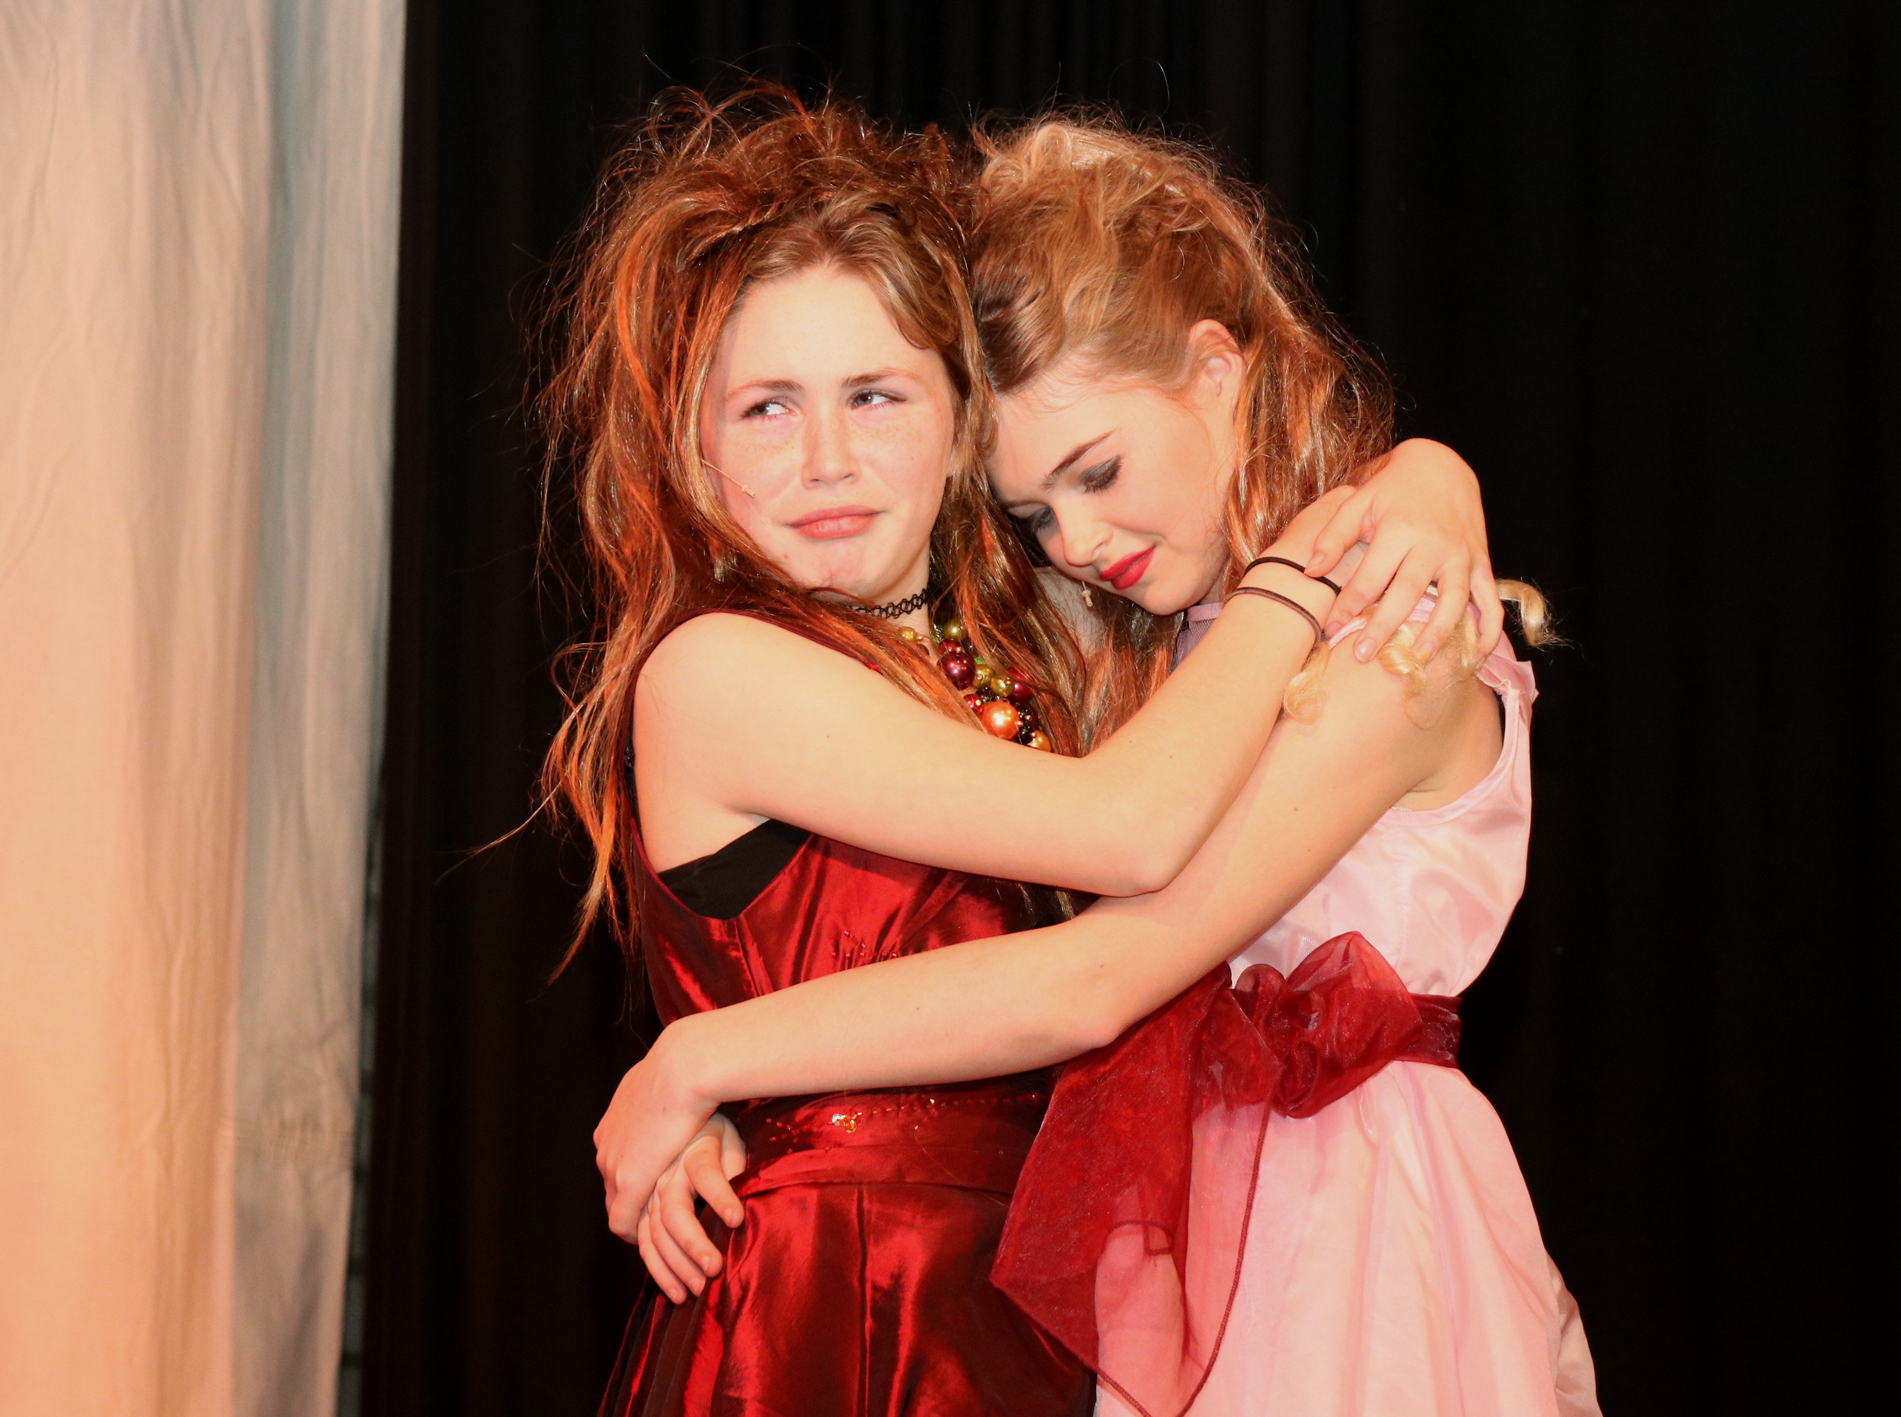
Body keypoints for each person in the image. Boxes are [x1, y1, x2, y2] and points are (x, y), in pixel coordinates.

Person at [597, 113, 1599, 1417]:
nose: (1074, 542)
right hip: (1153, 1248)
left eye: (1099, 470)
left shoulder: (1380, 636)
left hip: (1345, 1237)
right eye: (1030, 512)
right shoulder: (1163, 653)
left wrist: (700, 1058)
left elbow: (1102, 964)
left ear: (1219, 372)